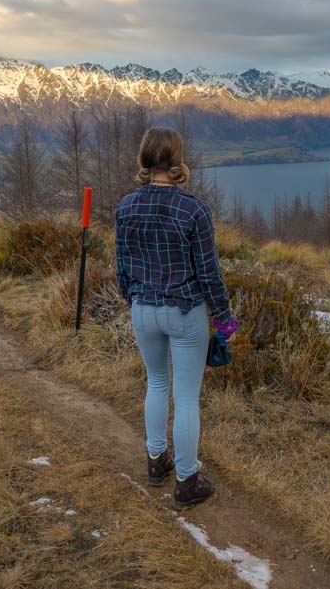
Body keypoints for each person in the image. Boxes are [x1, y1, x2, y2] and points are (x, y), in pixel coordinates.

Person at [115, 127, 238, 507]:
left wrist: (134, 299)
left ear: (145, 160)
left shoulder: (126, 206)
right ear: (178, 159)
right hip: (185, 312)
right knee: (186, 397)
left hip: (143, 309)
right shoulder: (194, 209)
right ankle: (186, 481)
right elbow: (209, 272)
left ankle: (156, 462)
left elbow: (121, 268)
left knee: (156, 383)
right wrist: (225, 319)